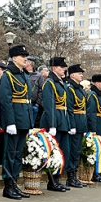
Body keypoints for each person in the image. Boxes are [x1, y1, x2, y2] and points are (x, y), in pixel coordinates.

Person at [0, 44, 34, 200]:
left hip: (24, 120)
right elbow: (5, 101)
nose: (25, 58)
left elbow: (28, 101)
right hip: (14, 121)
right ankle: (8, 186)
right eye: (22, 56)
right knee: (10, 154)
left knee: (18, 154)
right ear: (14, 58)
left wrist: (30, 122)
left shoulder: (24, 75)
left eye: (25, 56)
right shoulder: (8, 75)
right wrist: (10, 122)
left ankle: (15, 183)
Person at [40, 57, 71, 192]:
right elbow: (49, 105)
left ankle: (57, 179)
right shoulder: (50, 83)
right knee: (54, 153)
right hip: (54, 121)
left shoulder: (60, 83)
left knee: (64, 152)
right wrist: (52, 125)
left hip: (63, 121)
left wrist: (69, 124)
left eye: (64, 67)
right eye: (61, 67)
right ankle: (52, 181)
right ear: (54, 68)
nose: (63, 69)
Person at [65, 64, 88, 188]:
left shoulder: (79, 88)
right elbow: (69, 108)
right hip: (74, 123)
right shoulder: (70, 88)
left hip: (81, 123)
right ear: (72, 74)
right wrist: (72, 125)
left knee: (77, 151)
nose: (81, 75)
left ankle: (74, 176)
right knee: (73, 151)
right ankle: (70, 177)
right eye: (79, 73)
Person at [86, 74, 101, 181]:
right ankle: (94, 173)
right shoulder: (93, 95)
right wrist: (93, 129)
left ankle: (99, 172)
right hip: (96, 126)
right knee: (95, 150)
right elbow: (91, 113)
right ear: (97, 83)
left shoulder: (100, 95)